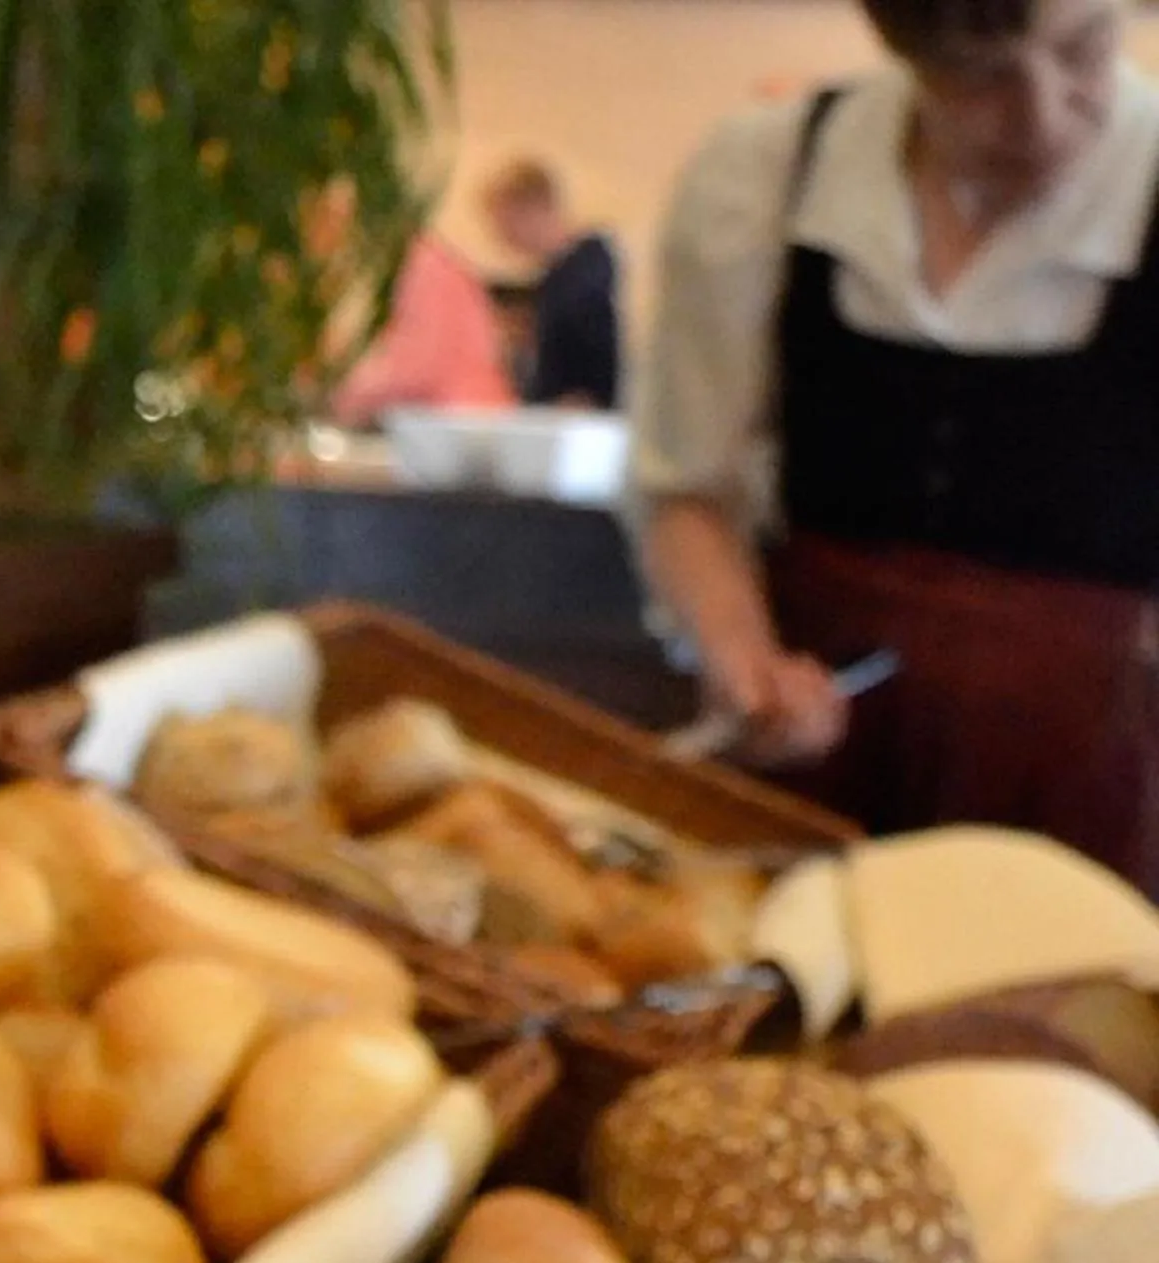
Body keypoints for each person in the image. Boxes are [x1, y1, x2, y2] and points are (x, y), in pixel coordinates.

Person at [632, 0, 1159, 894]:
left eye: (1084, 49)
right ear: (897, 45)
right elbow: (688, 491)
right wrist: (743, 660)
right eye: (979, 75)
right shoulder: (768, 176)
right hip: (821, 754)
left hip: (1091, 769)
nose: (1043, 114)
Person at [328, 181, 518, 429]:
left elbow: (418, 364)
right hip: (460, 420)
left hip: (459, 424)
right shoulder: (423, 264)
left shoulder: (423, 268)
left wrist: (342, 394)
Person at [484, 159, 625, 409]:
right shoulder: (562, 277)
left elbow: (602, 368)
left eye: (505, 223)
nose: (503, 237)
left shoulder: (587, 278)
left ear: (532, 210)